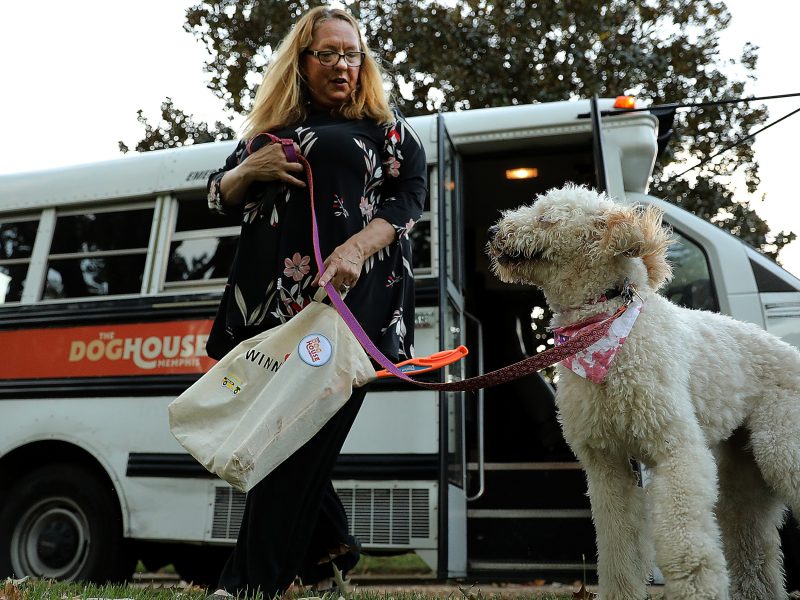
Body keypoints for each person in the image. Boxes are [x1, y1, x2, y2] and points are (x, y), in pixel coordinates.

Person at [203, 6, 427, 599]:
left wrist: (356, 248)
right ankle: (327, 544)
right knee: (288, 440)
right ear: (301, 61)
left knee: (289, 440)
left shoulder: (388, 129)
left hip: (349, 304)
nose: (342, 65)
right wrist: (251, 167)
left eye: (351, 54)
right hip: (268, 311)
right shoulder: (267, 132)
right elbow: (217, 196)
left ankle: (248, 583)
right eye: (327, 53)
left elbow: (407, 202)